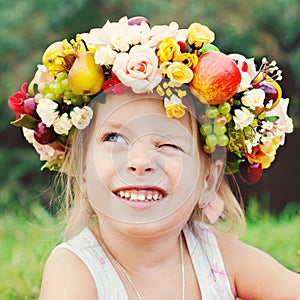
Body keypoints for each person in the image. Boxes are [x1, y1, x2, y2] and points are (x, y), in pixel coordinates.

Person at [8, 16, 299, 299]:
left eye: (168, 145)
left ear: (208, 179)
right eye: (114, 138)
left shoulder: (218, 256)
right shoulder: (75, 269)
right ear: (83, 170)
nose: (140, 161)